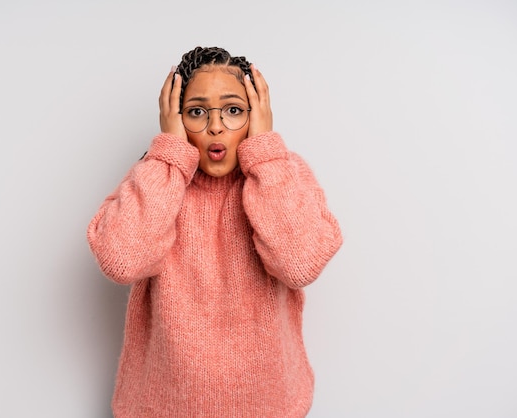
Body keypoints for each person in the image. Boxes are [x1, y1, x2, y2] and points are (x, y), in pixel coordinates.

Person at [87, 46, 343, 417]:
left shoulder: (282, 172)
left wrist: (266, 154)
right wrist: (169, 154)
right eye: (196, 112)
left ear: (258, 116)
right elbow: (122, 261)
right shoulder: (158, 176)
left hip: (269, 406)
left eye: (234, 110)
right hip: (161, 406)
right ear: (173, 118)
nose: (216, 126)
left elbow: (300, 265)